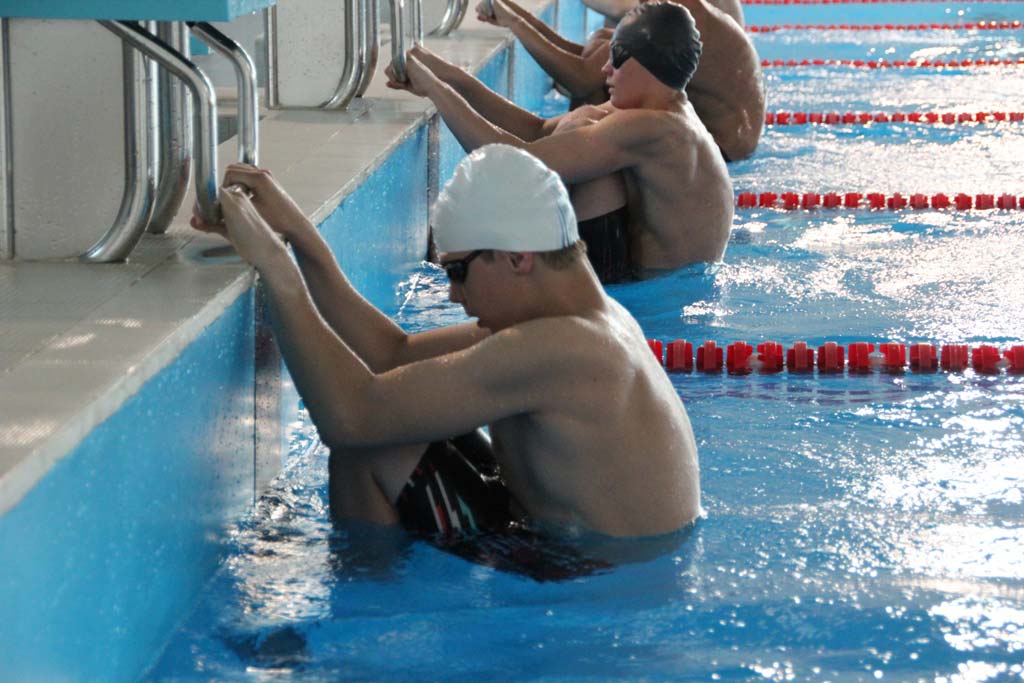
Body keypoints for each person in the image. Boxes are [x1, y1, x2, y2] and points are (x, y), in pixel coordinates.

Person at [190, 145, 702, 547]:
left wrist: (276, 268)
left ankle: (366, 626)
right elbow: (393, 355)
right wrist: (300, 238)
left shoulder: (566, 347)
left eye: (457, 271)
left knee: (366, 450)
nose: (454, 294)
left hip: (582, 580)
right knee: (401, 418)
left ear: (517, 258)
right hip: (562, 540)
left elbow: (349, 417)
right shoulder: (583, 321)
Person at [387, 2, 733, 282]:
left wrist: (435, 91)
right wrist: (447, 75)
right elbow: (537, 130)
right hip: (656, 282)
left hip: (655, 297)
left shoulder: (654, 128)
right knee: (580, 126)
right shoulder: (662, 110)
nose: (605, 70)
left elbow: (517, 162)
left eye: (616, 57)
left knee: (588, 163)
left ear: (647, 63)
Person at [476, 0, 764, 160]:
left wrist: (515, 22)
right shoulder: (670, 10)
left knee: (595, 90)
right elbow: (586, 62)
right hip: (723, 137)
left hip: (723, 146)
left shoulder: (671, 16)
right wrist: (516, 15)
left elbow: (580, 78)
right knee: (601, 43)